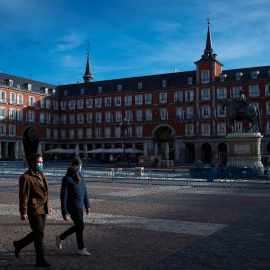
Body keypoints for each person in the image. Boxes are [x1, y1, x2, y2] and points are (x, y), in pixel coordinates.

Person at [13, 153, 51, 267]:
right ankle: (40, 259)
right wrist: (23, 212)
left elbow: (46, 191)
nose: (41, 164)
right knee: (39, 233)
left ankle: (19, 244)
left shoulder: (41, 174)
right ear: (32, 163)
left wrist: (48, 205)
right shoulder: (26, 177)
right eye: (39, 162)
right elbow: (23, 196)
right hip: (33, 209)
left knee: (39, 233)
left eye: (42, 162)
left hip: (43, 208)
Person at [56, 157, 91, 256]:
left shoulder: (81, 177)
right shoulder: (67, 179)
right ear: (73, 165)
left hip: (79, 205)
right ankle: (81, 247)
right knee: (80, 225)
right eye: (77, 165)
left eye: (80, 165)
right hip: (72, 206)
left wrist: (87, 205)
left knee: (79, 227)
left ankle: (62, 237)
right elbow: (63, 196)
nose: (79, 167)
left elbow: (85, 192)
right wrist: (64, 212)